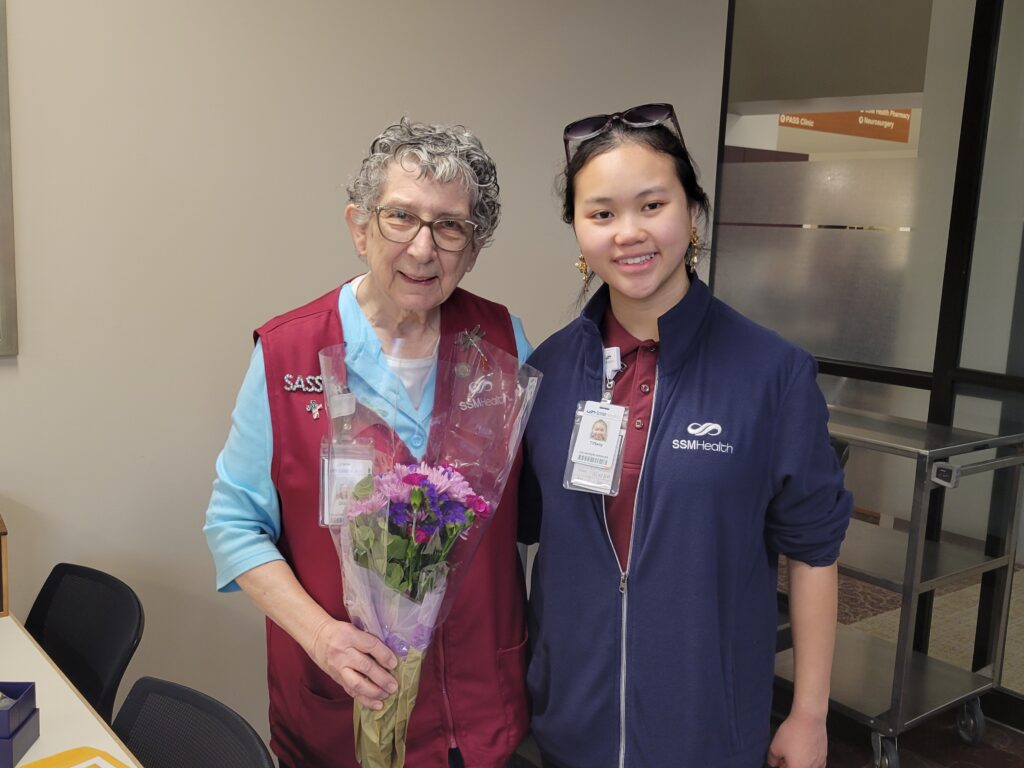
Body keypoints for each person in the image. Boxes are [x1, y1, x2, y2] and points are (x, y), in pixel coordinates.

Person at [518, 103, 852, 768]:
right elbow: (525, 532)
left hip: (707, 726)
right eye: (602, 213)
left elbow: (814, 552)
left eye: (652, 204)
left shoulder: (771, 373)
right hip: (568, 725)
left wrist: (809, 714)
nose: (629, 233)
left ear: (693, 213)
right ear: (578, 233)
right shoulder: (547, 371)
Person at [204, 119, 531, 768]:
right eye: (400, 217)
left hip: (477, 714)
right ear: (359, 227)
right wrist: (322, 637)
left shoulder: (502, 342)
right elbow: (234, 525)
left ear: (473, 248)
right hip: (340, 708)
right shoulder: (290, 353)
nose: (422, 248)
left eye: (451, 226)